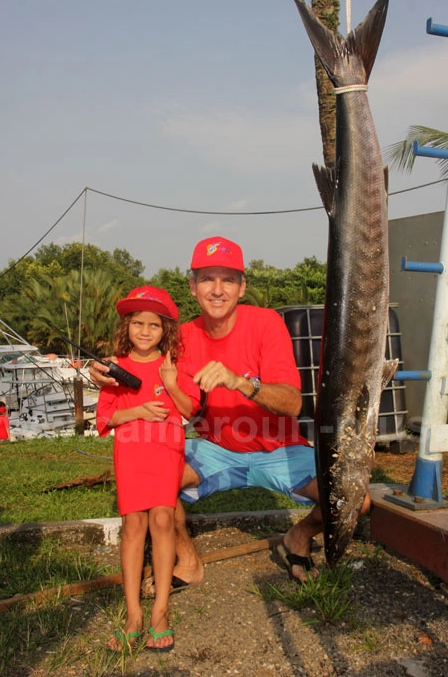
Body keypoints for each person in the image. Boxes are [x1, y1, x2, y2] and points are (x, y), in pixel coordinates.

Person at [90, 236, 370, 592]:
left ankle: (297, 538)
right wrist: (102, 373)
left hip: (278, 449)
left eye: (228, 279)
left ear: (242, 286)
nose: (217, 289)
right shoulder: (183, 336)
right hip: (216, 449)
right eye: (207, 279)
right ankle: (188, 561)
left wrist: (240, 382)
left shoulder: (267, 323)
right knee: (157, 480)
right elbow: (139, 359)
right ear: (192, 286)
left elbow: (293, 403)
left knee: (357, 501)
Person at [94, 285, 199, 654]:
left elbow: (189, 410)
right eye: (137, 323)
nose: (144, 331)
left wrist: (170, 383)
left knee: (163, 521)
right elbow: (105, 417)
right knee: (133, 526)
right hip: (131, 453)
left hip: (165, 452)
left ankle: (160, 611)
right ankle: (133, 614)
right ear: (127, 326)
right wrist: (137, 412)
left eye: (153, 325)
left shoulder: (175, 366)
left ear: (165, 329)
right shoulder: (115, 369)